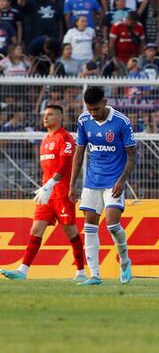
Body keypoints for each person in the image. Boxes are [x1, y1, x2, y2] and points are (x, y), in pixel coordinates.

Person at [0, 105, 86, 281]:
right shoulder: (45, 140)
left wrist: (52, 184)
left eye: (50, 115)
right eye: (44, 115)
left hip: (61, 192)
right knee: (36, 228)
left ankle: (81, 271)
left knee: (70, 230)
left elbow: (65, 164)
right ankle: (23, 270)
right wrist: (44, 187)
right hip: (46, 194)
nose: (45, 118)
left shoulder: (66, 138)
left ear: (60, 118)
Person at [67, 86, 135, 285]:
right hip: (92, 181)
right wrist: (73, 185)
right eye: (89, 110)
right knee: (89, 227)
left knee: (113, 224)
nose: (93, 114)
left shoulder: (121, 122)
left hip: (113, 181)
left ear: (105, 102)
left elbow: (132, 155)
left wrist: (122, 181)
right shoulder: (83, 120)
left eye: (95, 109)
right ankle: (95, 275)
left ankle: (125, 261)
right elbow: (79, 153)